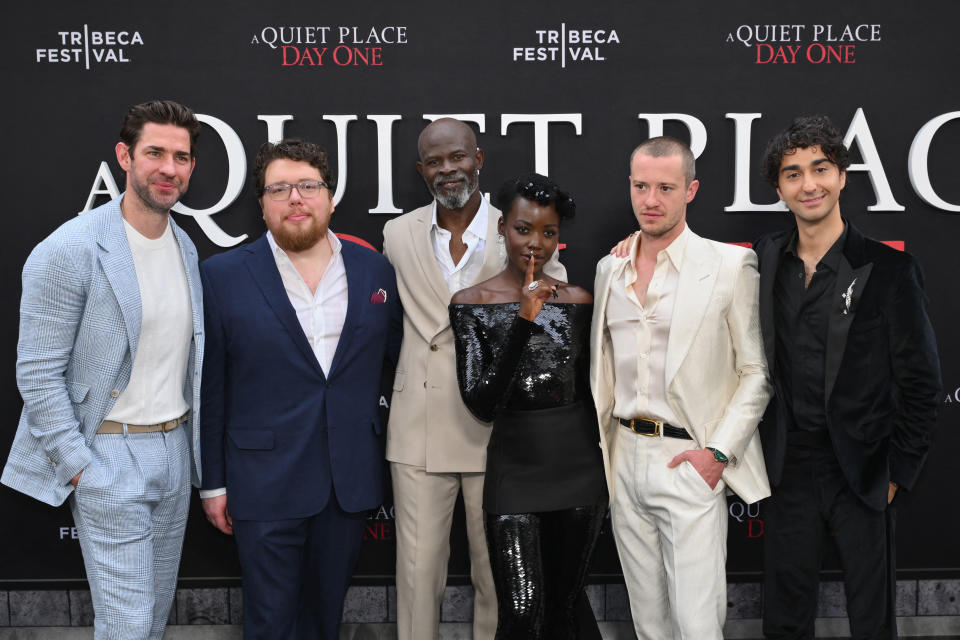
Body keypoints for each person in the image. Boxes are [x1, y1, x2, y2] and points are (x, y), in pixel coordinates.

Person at [1, 100, 204, 639]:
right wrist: (81, 468)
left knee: (152, 620)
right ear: (124, 156)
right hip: (108, 452)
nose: (169, 168)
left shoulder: (184, 246)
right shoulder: (69, 249)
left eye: (181, 157)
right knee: (128, 627)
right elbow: (38, 375)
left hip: (175, 449)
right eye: (155, 153)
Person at [198, 139, 402, 640]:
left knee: (325, 618)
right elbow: (210, 386)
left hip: (346, 478)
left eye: (308, 186)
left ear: (330, 198)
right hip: (261, 481)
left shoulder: (374, 269)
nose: (296, 198)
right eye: (280, 188)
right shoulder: (222, 275)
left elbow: (395, 364)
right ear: (262, 204)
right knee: (269, 621)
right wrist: (214, 483)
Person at [755, 115, 941, 639]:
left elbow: (922, 382)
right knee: (785, 618)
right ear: (778, 187)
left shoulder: (889, 269)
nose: (808, 183)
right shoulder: (764, 260)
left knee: (871, 619)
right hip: (787, 465)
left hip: (864, 466)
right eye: (793, 173)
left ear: (842, 176)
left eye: (820, 168)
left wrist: (898, 473)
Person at [382, 118, 565, 640]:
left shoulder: (518, 229)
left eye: (457, 157)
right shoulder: (397, 235)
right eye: (435, 162)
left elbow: (559, 294)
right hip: (418, 430)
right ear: (421, 170)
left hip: (498, 432)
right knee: (417, 581)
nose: (448, 169)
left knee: (500, 579)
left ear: (478, 158)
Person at [592, 136, 772, 638]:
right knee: (648, 623)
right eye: (641, 186)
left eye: (665, 188)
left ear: (690, 190)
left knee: (697, 624)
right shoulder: (610, 269)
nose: (651, 200)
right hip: (623, 458)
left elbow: (756, 370)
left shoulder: (730, 266)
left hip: (689, 458)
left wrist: (717, 453)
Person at [449, 174, 608, 639]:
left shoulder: (579, 300)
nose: (536, 243)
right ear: (502, 228)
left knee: (566, 606)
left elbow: (592, 385)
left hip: (578, 470)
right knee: (521, 612)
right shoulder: (470, 304)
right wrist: (522, 320)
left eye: (549, 232)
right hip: (514, 472)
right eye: (524, 229)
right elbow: (481, 403)